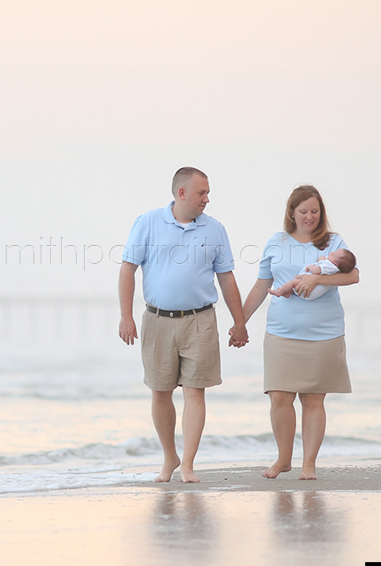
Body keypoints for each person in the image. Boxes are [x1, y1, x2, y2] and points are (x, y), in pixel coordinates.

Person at [118, 167, 249, 484]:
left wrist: (239, 322)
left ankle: (188, 464)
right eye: (202, 193)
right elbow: (127, 269)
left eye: (207, 193)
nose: (207, 198)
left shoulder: (215, 229)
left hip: (200, 320)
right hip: (157, 320)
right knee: (160, 392)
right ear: (182, 193)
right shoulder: (148, 222)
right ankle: (169, 458)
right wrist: (126, 316)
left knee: (195, 392)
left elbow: (226, 276)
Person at [233, 184, 359, 480]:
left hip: (324, 332)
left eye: (315, 211)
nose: (310, 216)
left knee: (313, 400)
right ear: (292, 212)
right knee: (279, 397)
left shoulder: (332, 241)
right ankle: (283, 460)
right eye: (303, 211)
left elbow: (353, 275)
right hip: (281, 332)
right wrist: (241, 321)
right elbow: (262, 285)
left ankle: (309, 465)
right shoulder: (276, 242)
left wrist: (317, 281)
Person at [269, 248, 356, 300]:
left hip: (310, 291)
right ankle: (289, 292)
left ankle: (279, 291)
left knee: (293, 282)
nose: (331, 252)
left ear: (335, 264)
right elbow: (322, 265)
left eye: (333, 255)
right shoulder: (335, 268)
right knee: (295, 285)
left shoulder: (330, 266)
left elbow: (317, 270)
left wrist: (310, 267)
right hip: (312, 293)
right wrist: (322, 259)